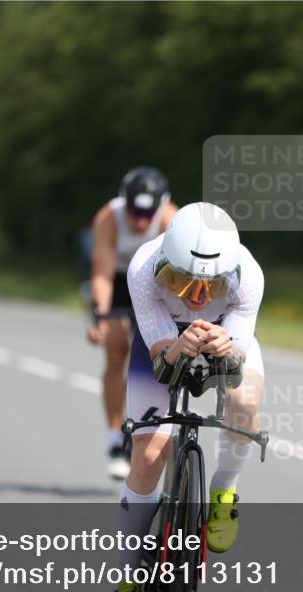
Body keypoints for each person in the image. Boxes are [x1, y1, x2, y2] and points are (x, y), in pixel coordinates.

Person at [108, 202, 265, 592]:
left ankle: (224, 492)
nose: (194, 297)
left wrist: (226, 346)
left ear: (229, 276)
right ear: (163, 265)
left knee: (245, 405)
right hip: (161, 344)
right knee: (150, 451)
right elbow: (161, 361)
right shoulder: (143, 268)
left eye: (209, 287)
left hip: (224, 337)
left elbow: (237, 358)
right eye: (179, 281)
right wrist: (176, 347)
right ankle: (128, 583)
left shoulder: (249, 275)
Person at [86, 167, 178, 479]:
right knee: (115, 350)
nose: (140, 221)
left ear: (161, 206)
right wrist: (100, 314)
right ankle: (115, 439)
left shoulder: (170, 219)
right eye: (134, 212)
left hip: (157, 285)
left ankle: (154, 421)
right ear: (124, 204)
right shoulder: (108, 219)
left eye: (147, 213)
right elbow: (101, 273)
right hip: (119, 282)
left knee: (161, 350)